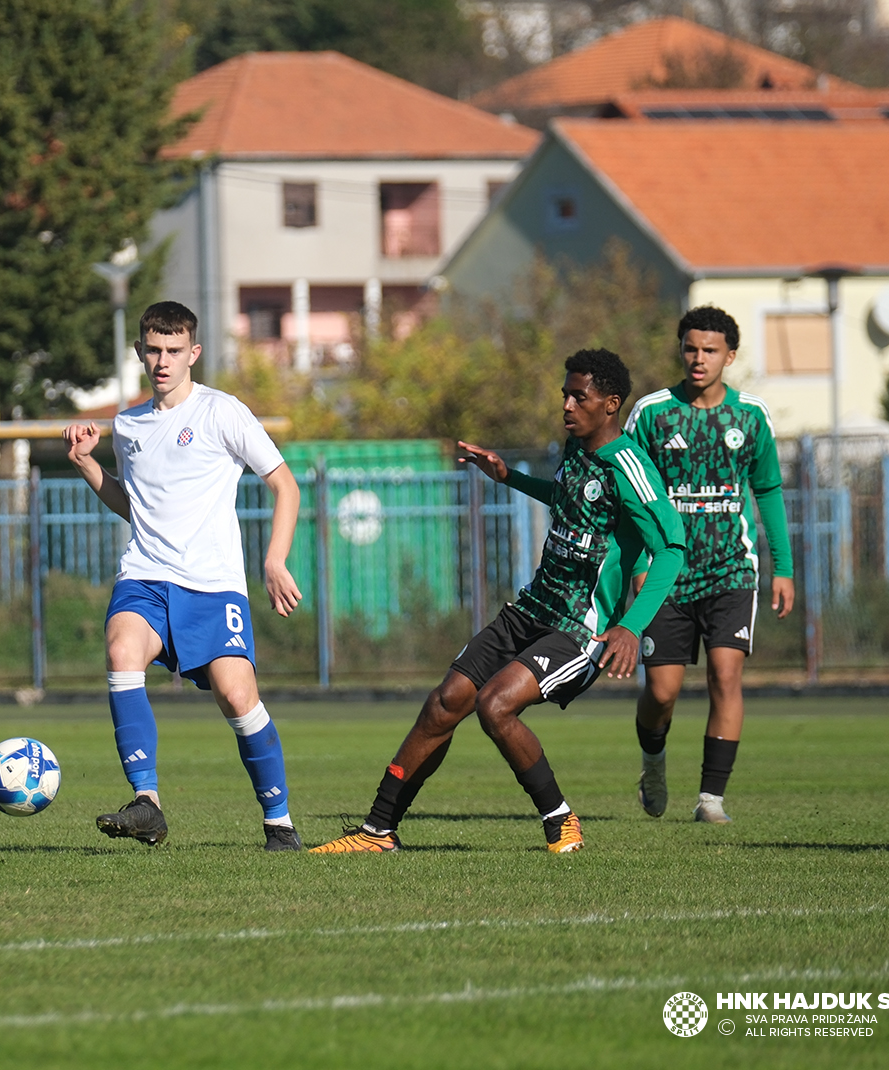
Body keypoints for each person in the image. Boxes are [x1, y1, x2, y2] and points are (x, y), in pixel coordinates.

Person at [311, 350, 686, 855]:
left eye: (580, 396)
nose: (568, 405)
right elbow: (568, 500)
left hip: (582, 628)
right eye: (565, 395)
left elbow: (672, 550)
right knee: (444, 705)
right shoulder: (575, 451)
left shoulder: (629, 466)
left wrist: (632, 625)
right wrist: (508, 477)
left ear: (611, 404)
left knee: (496, 706)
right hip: (532, 609)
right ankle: (377, 832)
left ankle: (561, 820)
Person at [62, 301, 305, 851]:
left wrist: (274, 560)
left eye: (174, 350)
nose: (163, 360)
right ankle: (146, 802)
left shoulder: (224, 413)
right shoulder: (126, 425)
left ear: (193, 353)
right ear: (140, 353)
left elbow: (285, 486)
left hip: (213, 585)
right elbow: (135, 507)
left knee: (236, 697)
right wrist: (87, 465)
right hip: (145, 574)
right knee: (122, 652)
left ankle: (279, 822)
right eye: (153, 350)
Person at [625, 307, 793, 824]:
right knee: (662, 690)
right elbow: (628, 490)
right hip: (666, 574)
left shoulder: (751, 417)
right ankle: (653, 763)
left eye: (711, 350)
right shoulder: (653, 413)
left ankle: (711, 800)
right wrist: (635, 566)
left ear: (730, 356)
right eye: (691, 348)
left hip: (732, 571)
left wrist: (782, 567)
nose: (699, 359)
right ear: (681, 351)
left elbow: (767, 490)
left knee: (726, 675)